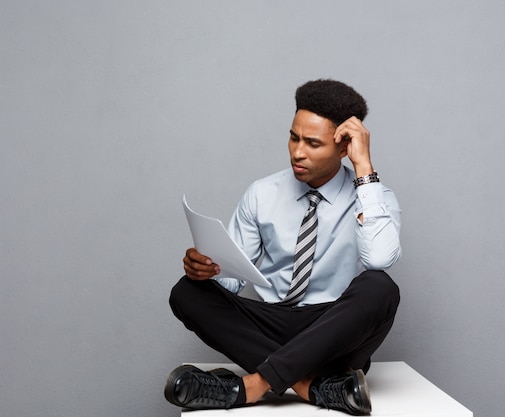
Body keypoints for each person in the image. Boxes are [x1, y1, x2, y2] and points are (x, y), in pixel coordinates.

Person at [164, 79, 401, 415]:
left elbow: (379, 258)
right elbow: (230, 282)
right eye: (294, 137)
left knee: (380, 287)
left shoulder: (374, 198)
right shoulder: (263, 194)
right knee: (186, 292)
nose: (297, 152)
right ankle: (312, 387)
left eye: (313, 143)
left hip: (332, 330)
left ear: (344, 147)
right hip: (272, 325)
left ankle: (250, 387)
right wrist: (207, 270)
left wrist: (364, 168)